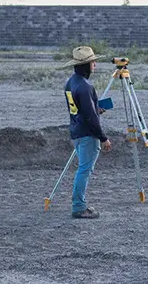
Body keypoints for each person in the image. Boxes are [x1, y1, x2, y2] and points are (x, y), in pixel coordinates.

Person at [60, 46, 111, 219]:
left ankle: (79, 204)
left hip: (76, 132)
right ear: (86, 65)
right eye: (92, 62)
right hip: (87, 135)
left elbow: (82, 109)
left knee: (82, 169)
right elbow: (91, 118)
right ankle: (79, 206)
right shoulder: (85, 86)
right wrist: (103, 138)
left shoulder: (71, 82)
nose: (95, 64)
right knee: (84, 170)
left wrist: (96, 109)